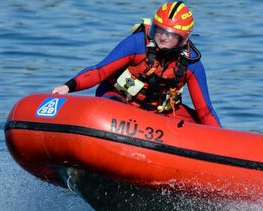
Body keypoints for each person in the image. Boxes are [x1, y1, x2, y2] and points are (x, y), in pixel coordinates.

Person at [51, 1, 221, 127]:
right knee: (113, 108)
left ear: (183, 39)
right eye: (159, 30)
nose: (162, 37)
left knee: (199, 123)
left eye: (170, 34)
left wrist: (221, 141)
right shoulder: (136, 44)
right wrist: (68, 87)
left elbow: (205, 110)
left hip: (159, 113)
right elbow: (99, 71)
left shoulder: (192, 64)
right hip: (118, 99)